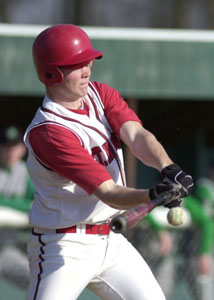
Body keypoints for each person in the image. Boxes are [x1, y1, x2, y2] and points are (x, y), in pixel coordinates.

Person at [24, 24, 193, 300]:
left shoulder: (100, 94)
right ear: (51, 73)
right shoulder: (49, 131)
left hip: (111, 240)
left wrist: (169, 169)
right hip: (64, 245)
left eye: (87, 61)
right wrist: (153, 195)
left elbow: (136, 136)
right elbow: (108, 191)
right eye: (76, 65)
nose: (87, 69)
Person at [0, 125, 34, 289]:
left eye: (14, 146)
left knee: (37, 282)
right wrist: (21, 205)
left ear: (22, 148)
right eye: (5, 147)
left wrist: (8, 203)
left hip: (6, 249)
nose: (10, 151)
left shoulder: (28, 173)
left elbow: (39, 206)